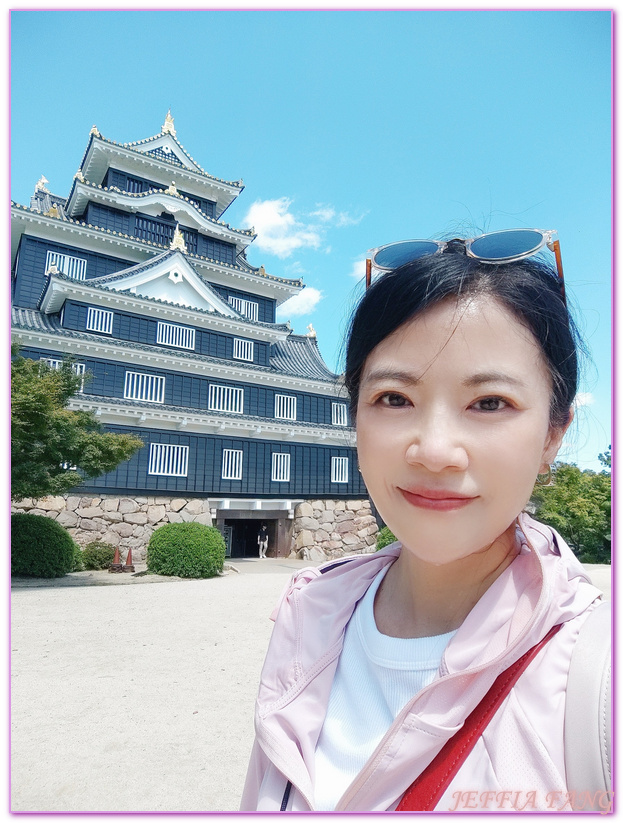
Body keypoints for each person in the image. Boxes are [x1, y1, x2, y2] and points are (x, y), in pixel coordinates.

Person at [240, 230, 609, 812]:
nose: (435, 451)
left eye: (490, 403)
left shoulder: (599, 674)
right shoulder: (309, 615)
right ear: (355, 415)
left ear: (552, 437)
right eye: (393, 398)